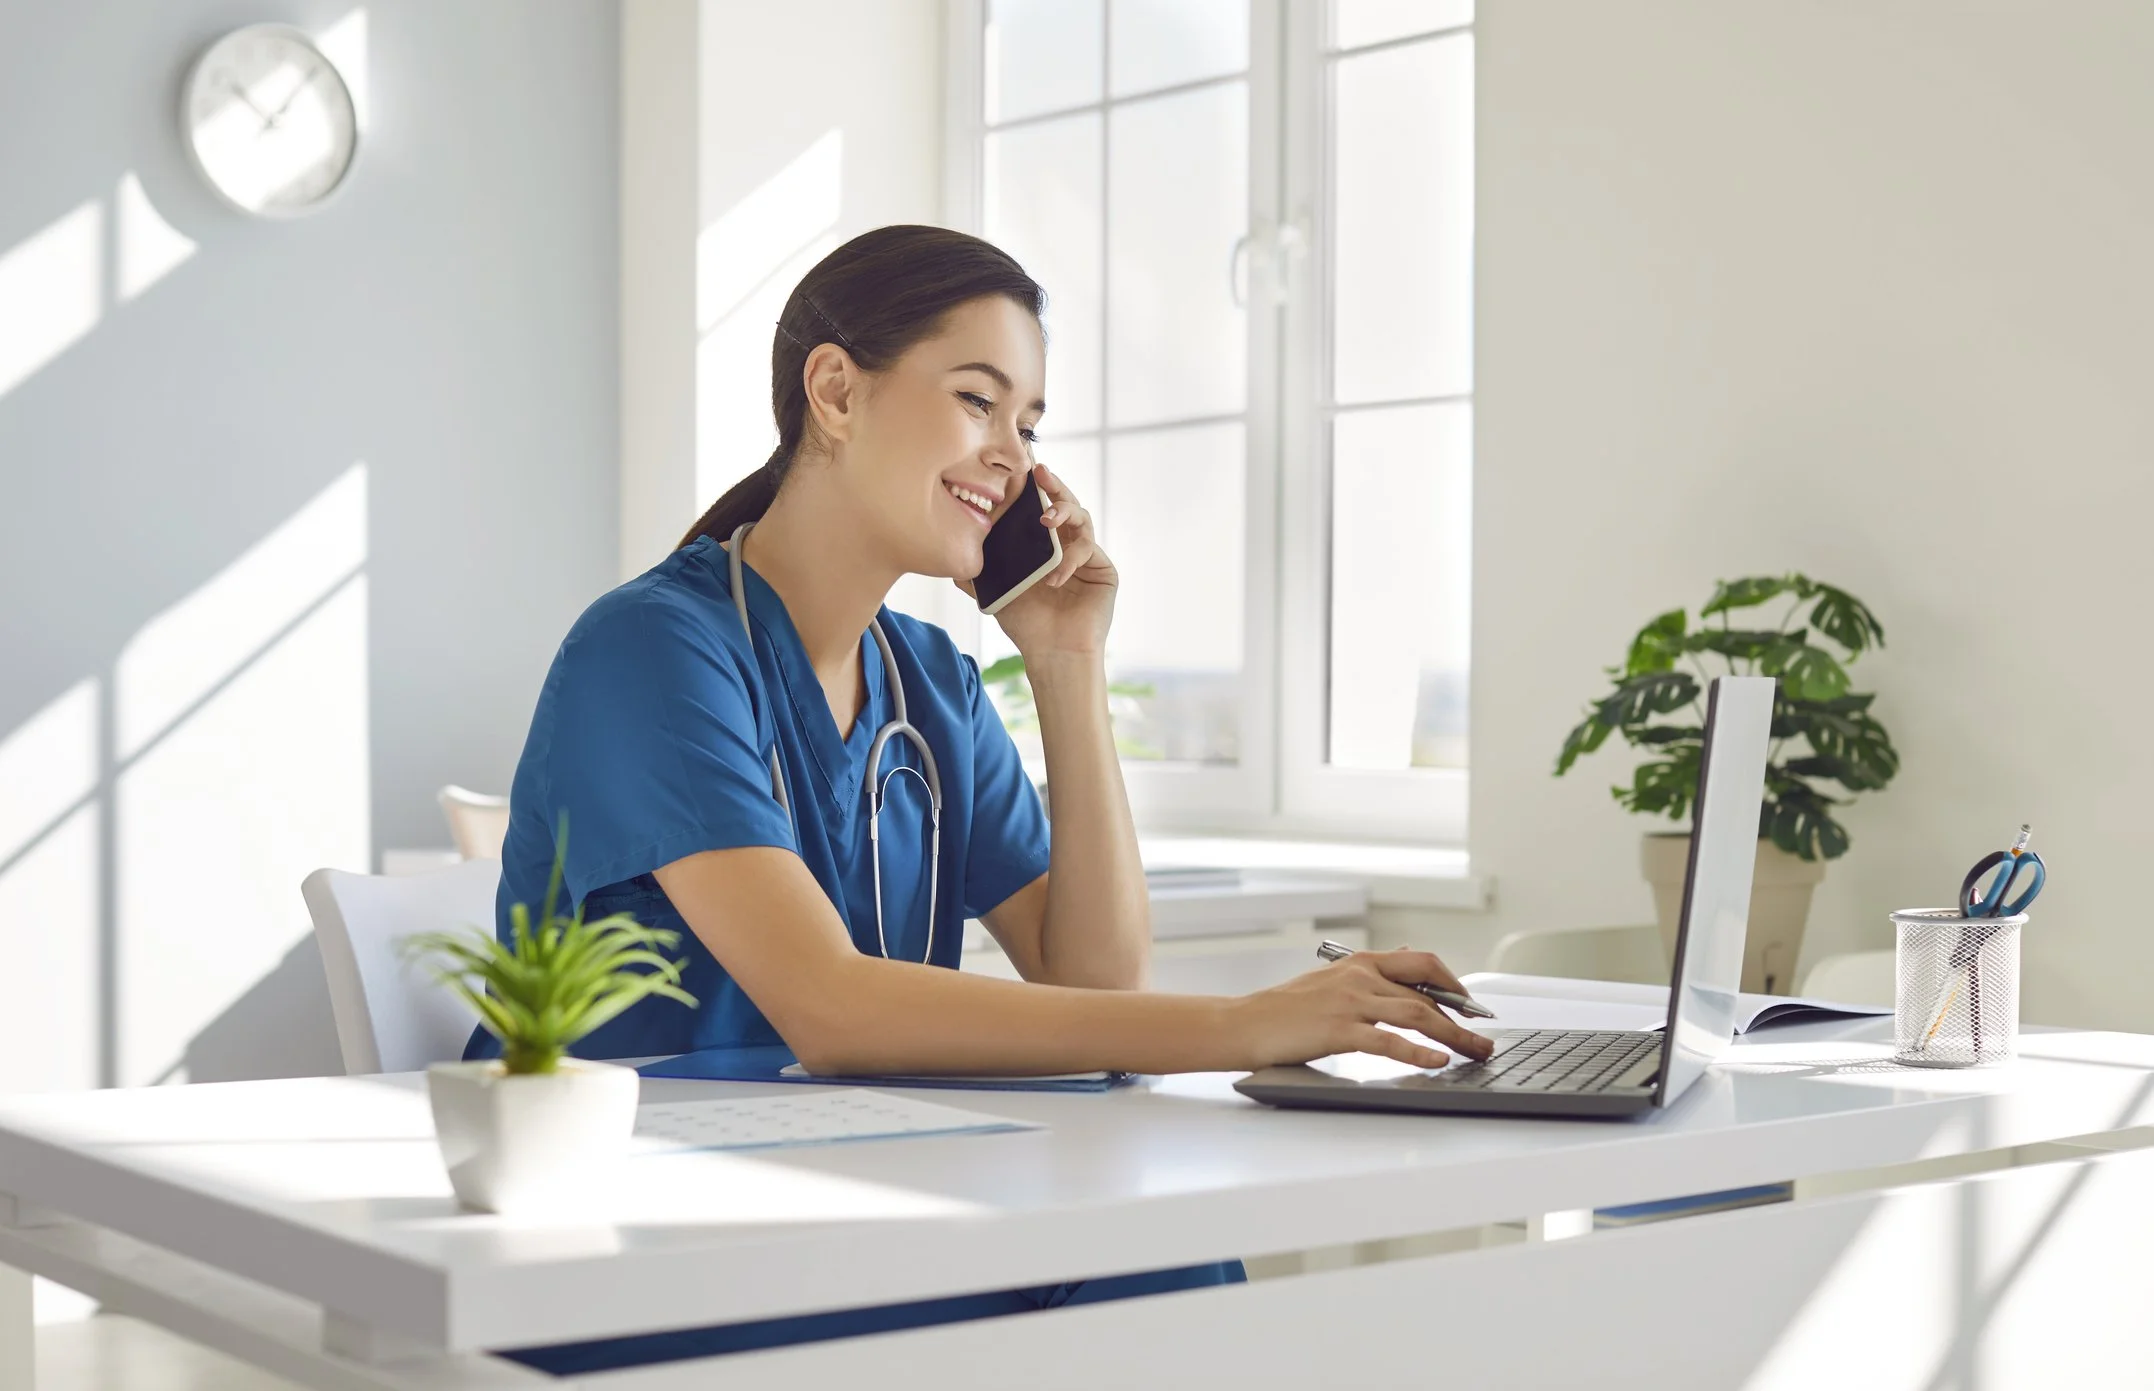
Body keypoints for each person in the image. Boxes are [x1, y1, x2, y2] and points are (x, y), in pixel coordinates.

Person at [469, 225, 1491, 1374]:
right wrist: (1245, 1023)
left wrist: (1066, 661)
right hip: (643, 1244)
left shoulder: (930, 683)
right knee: (1141, 1298)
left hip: (857, 1194)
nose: (1012, 454)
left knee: (1168, 1270)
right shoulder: (654, 648)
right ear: (836, 391)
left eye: (1030, 424)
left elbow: (1093, 979)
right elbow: (834, 1009)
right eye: (978, 401)